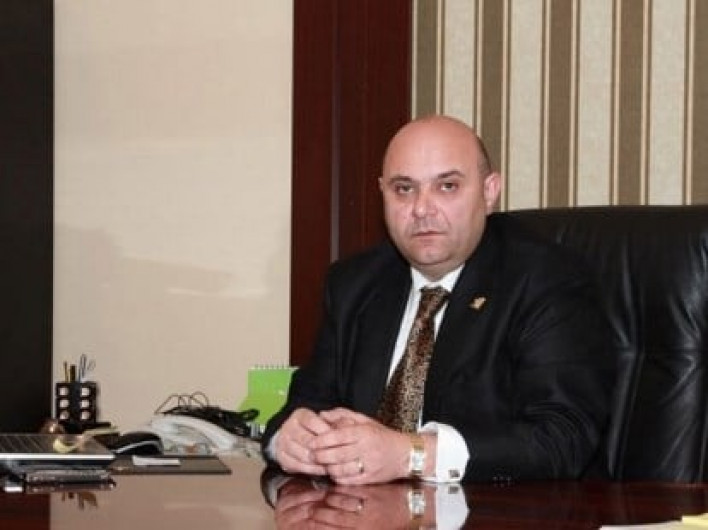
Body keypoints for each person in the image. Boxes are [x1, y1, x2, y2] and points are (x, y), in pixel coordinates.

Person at [262, 114, 613, 485]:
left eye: (447, 186)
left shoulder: (548, 280)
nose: (421, 208)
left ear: (490, 191)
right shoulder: (354, 284)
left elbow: (562, 438)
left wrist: (412, 454)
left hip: (499, 510)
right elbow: (303, 407)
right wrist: (288, 440)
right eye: (403, 189)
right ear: (382, 193)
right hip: (365, 509)